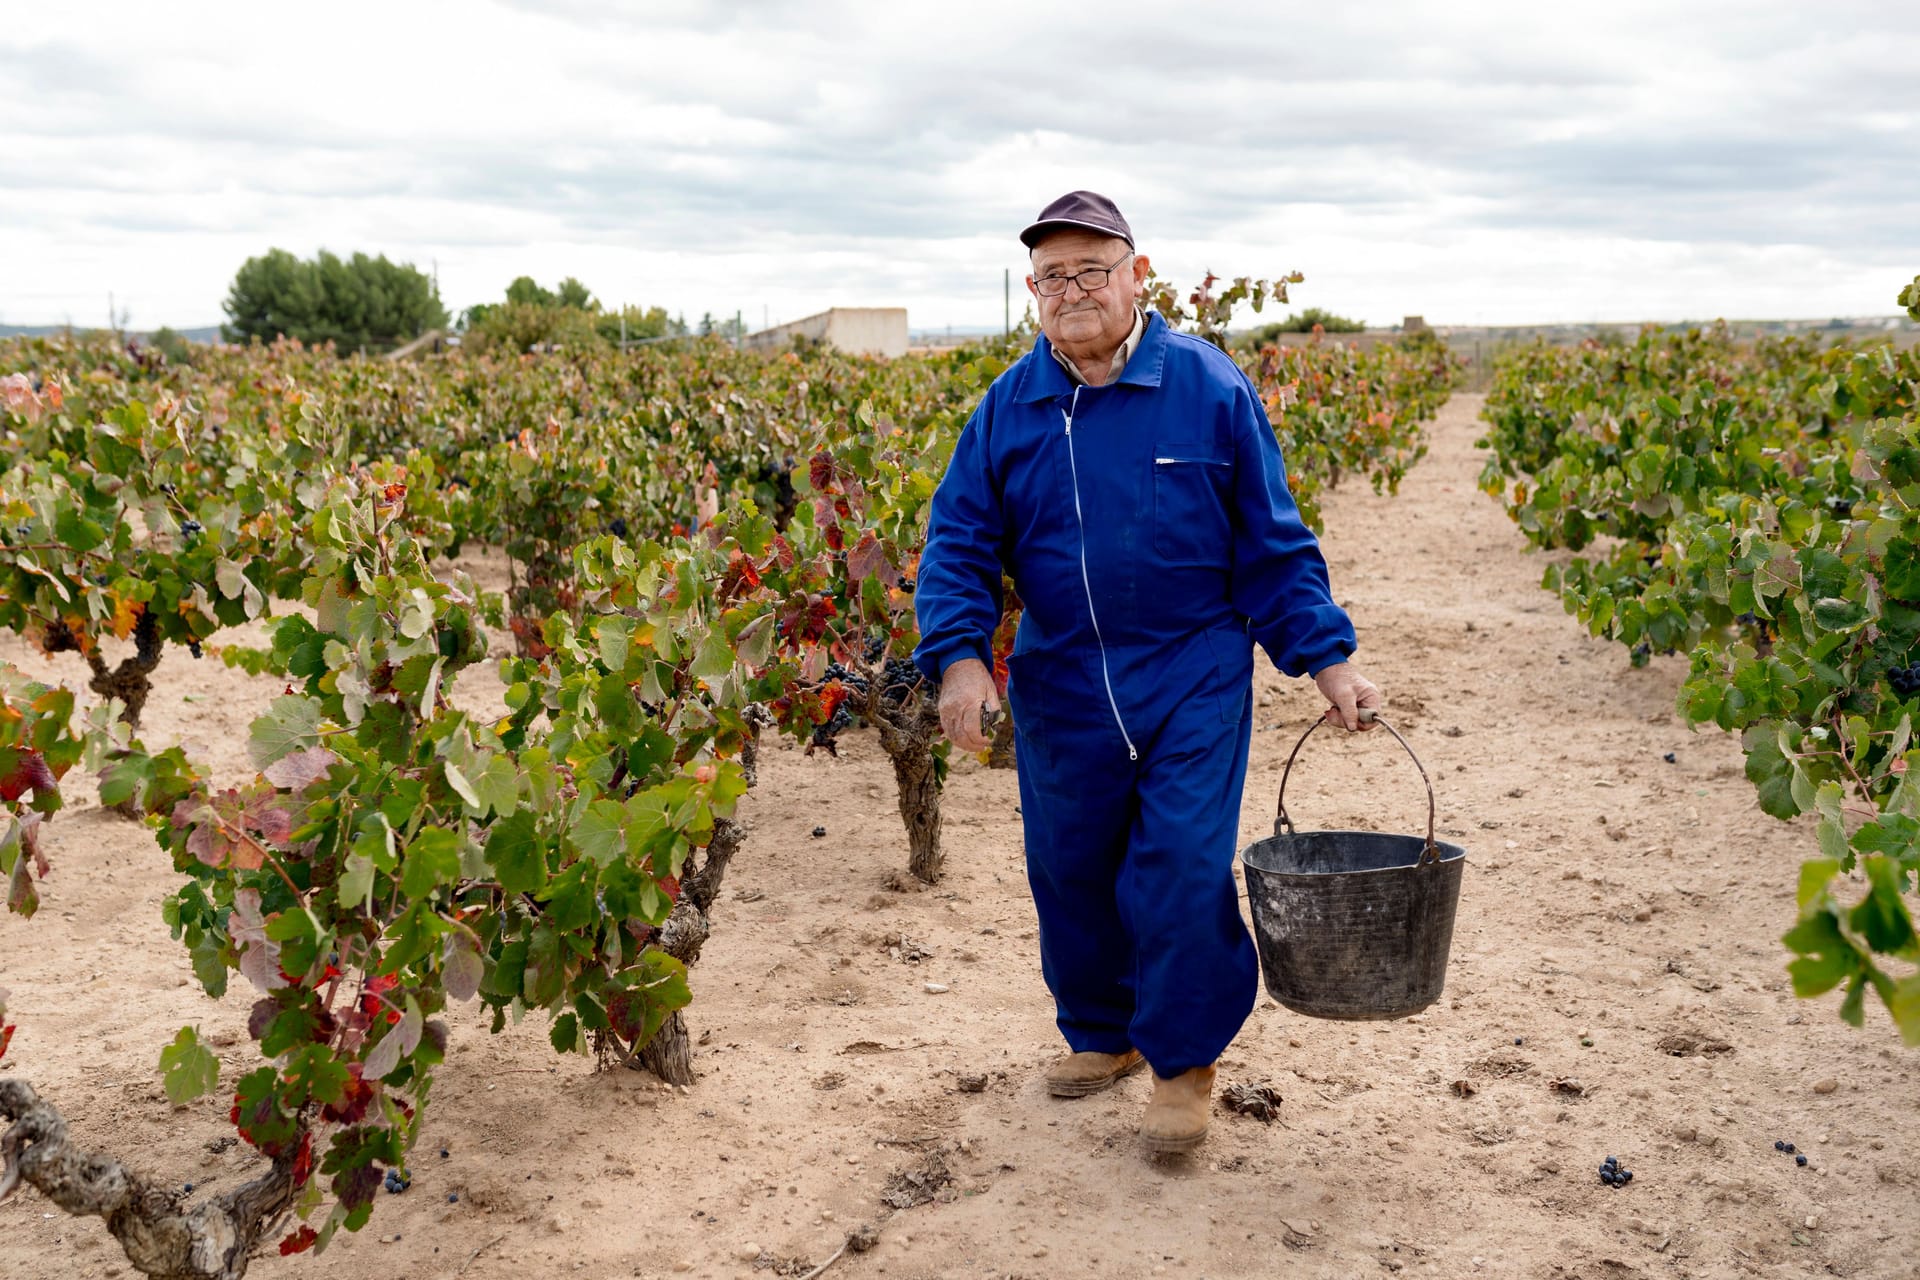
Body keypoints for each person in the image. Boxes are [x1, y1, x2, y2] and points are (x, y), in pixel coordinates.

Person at [912, 191, 1383, 1154]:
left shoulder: (1209, 389)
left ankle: (1182, 1062)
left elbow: (1272, 541)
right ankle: (1105, 1034)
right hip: (1064, 678)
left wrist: (1326, 663)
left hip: (1192, 672)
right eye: (1052, 276)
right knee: (1070, 867)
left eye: (1092, 269)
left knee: (1176, 868)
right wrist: (961, 659)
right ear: (1032, 291)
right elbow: (958, 542)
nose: (1071, 290)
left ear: (1137, 276)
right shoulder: (1009, 407)